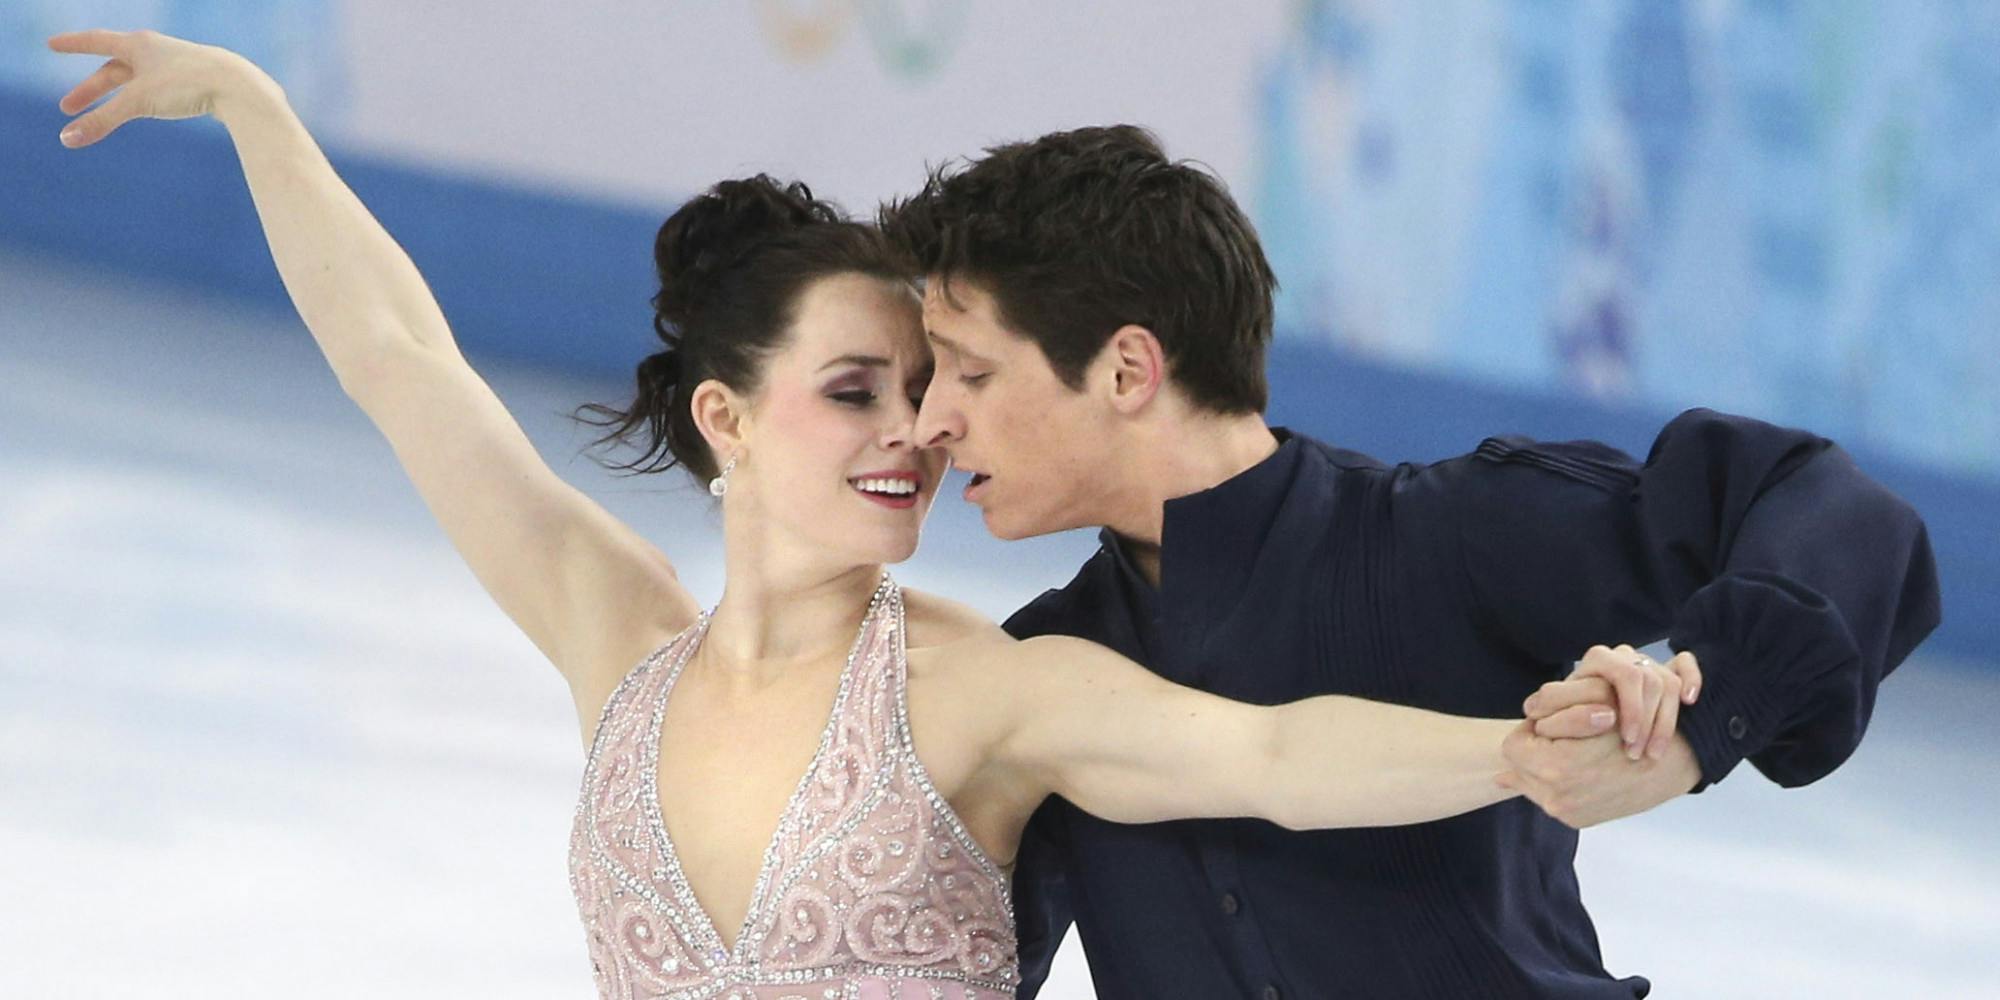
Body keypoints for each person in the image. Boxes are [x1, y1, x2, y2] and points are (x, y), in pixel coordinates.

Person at [46, 30, 1656, 1000]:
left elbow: (1276, 758)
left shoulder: (986, 687)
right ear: (727, 418)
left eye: (924, 387)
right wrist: (256, 104)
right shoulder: (616, 634)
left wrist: (1508, 756)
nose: (917, 433)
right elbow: (402, 364)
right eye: (857, 392)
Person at [879, 123, 1943, 998]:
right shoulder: (1043, 674)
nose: (931, 421)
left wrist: (1695, 730)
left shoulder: (1457, 533)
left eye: (968, 373)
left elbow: (1827, 506)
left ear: (1125, 369)